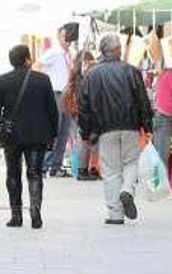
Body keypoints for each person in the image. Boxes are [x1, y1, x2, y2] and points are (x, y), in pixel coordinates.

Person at [78, 35, 153, 225]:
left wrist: (85, 133)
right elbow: (143, 101)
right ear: (119, 50)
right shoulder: (131, 71)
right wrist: (147, 126)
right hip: (130, 126)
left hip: (105, 129)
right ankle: (127, 189)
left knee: (111, 170)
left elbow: (84, 106)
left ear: (103, 52)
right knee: (131, 163)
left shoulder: (92, 75)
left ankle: (115, 213)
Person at [0, 45, 58, 228]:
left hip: (12, 135)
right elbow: (52, 110)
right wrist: (53, 133)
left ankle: (16, 215)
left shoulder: (3, 81)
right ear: (27, 59)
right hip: (37, 134)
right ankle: (35, 212)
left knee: (13, 173)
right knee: (34, 173)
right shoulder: (43, 80)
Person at [38, 26, 74, 177]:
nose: (67, 40)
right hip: (55, 93)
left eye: (69, 37)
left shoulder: (68, 54)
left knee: (64, 132)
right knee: (54, 130)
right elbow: (38, 65)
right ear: (59, 36)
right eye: (65, 37)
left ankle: (56, 166)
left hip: (67, 94)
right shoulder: (53, 52)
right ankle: (45, 164)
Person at [62, 51, 100, 181]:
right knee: (85, 141)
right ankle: (85, 169)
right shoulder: (81, 80)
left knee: (86, 141)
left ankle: (87, 169)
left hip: (79, 113)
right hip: (82, 114)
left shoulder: (76, 79)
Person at [152, 60, 172, 166]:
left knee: (158, 152)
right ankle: (161, 182)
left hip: (158, 115)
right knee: (163, 155)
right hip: (165, 117)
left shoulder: (162, 75)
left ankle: (157, 181)